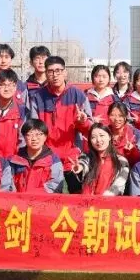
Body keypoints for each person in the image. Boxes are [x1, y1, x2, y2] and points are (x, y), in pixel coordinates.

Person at [27, 55, 92, 189]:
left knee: (76, 194)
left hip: (72, 154)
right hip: (46, 154)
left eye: (58, 71)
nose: (55, 75)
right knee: (49, 195)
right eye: (50, 71)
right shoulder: (38, 97)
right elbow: (34, 127)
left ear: (65, 72)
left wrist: (83, 122)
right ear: (46, 73)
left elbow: (89, 129)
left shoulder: (77, 95)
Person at [69, 123, 129, 195]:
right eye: (93, 137)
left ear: (109, 137)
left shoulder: (121, 161)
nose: (98, 140)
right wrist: (79, 167)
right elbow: (83, 162)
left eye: (101, 135)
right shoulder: (87, 156)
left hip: (109, 200)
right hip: (87, 200)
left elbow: (119, 184)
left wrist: (103, 199)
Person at [10, 119, 65, 194]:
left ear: (45, 137)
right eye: (30, 134)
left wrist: (31, 195)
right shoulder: (15, 160)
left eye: (38, 134)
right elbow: (9, 184)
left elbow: (55, 185)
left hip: (43, 200)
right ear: (24, 137)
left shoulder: (54, 160)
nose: (34, 139)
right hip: (18, 200)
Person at [105, 102, 140, 166]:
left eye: (120, 116)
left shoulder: (136, 134)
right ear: (108, 116)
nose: (117, 119)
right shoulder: (103, 133)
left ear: (126, 117)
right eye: (113, 115)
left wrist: (132, 151)